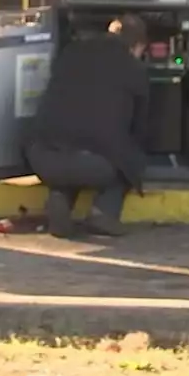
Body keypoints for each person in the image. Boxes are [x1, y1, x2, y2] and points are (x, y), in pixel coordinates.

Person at [26, 14, 152, 238]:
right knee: (129, 158)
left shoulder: (70, 52)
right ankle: (103, 212)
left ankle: (60, 198)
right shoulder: (135, 69)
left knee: (71, 148)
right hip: (94, 166)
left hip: (42, 157)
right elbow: (141, 128)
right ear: (138, 46)